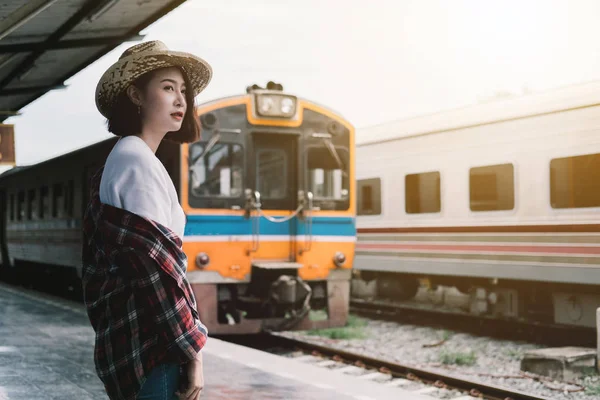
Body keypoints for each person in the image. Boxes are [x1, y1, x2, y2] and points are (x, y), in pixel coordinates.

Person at [81, 40, 212, 400]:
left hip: (142, 342)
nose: (181, 101)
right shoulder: (135, 160)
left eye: (184, 90)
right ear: (136, 95)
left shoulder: (131, 157)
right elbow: (158, 273)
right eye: (168, 88)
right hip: (153, 346)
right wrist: (193, 353)